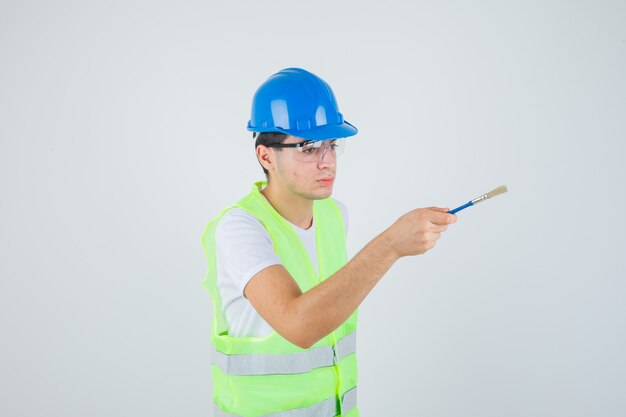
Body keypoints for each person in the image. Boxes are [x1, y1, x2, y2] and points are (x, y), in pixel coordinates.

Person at [201, 67, 457, 417]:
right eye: (308, 148)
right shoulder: (239, 229)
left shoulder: (334, 216)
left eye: (331, 145)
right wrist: (390, 245)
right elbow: (298, 325)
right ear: (265, 156)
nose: (328, 162)